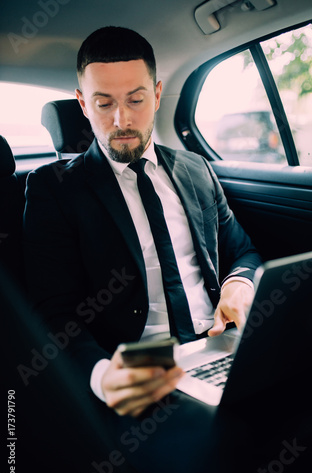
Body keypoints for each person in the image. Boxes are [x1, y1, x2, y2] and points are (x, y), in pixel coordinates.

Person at [23, 26, 261, 420]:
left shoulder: (195, 168)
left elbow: (242, 250)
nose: (122, 119)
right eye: (104, 104)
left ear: (157, 93)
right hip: (142, 377)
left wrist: (238, 283)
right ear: (82, 103)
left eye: (136, 99)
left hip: (223, 349)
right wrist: (102, 376)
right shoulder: (55, 190)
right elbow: (52, 312)